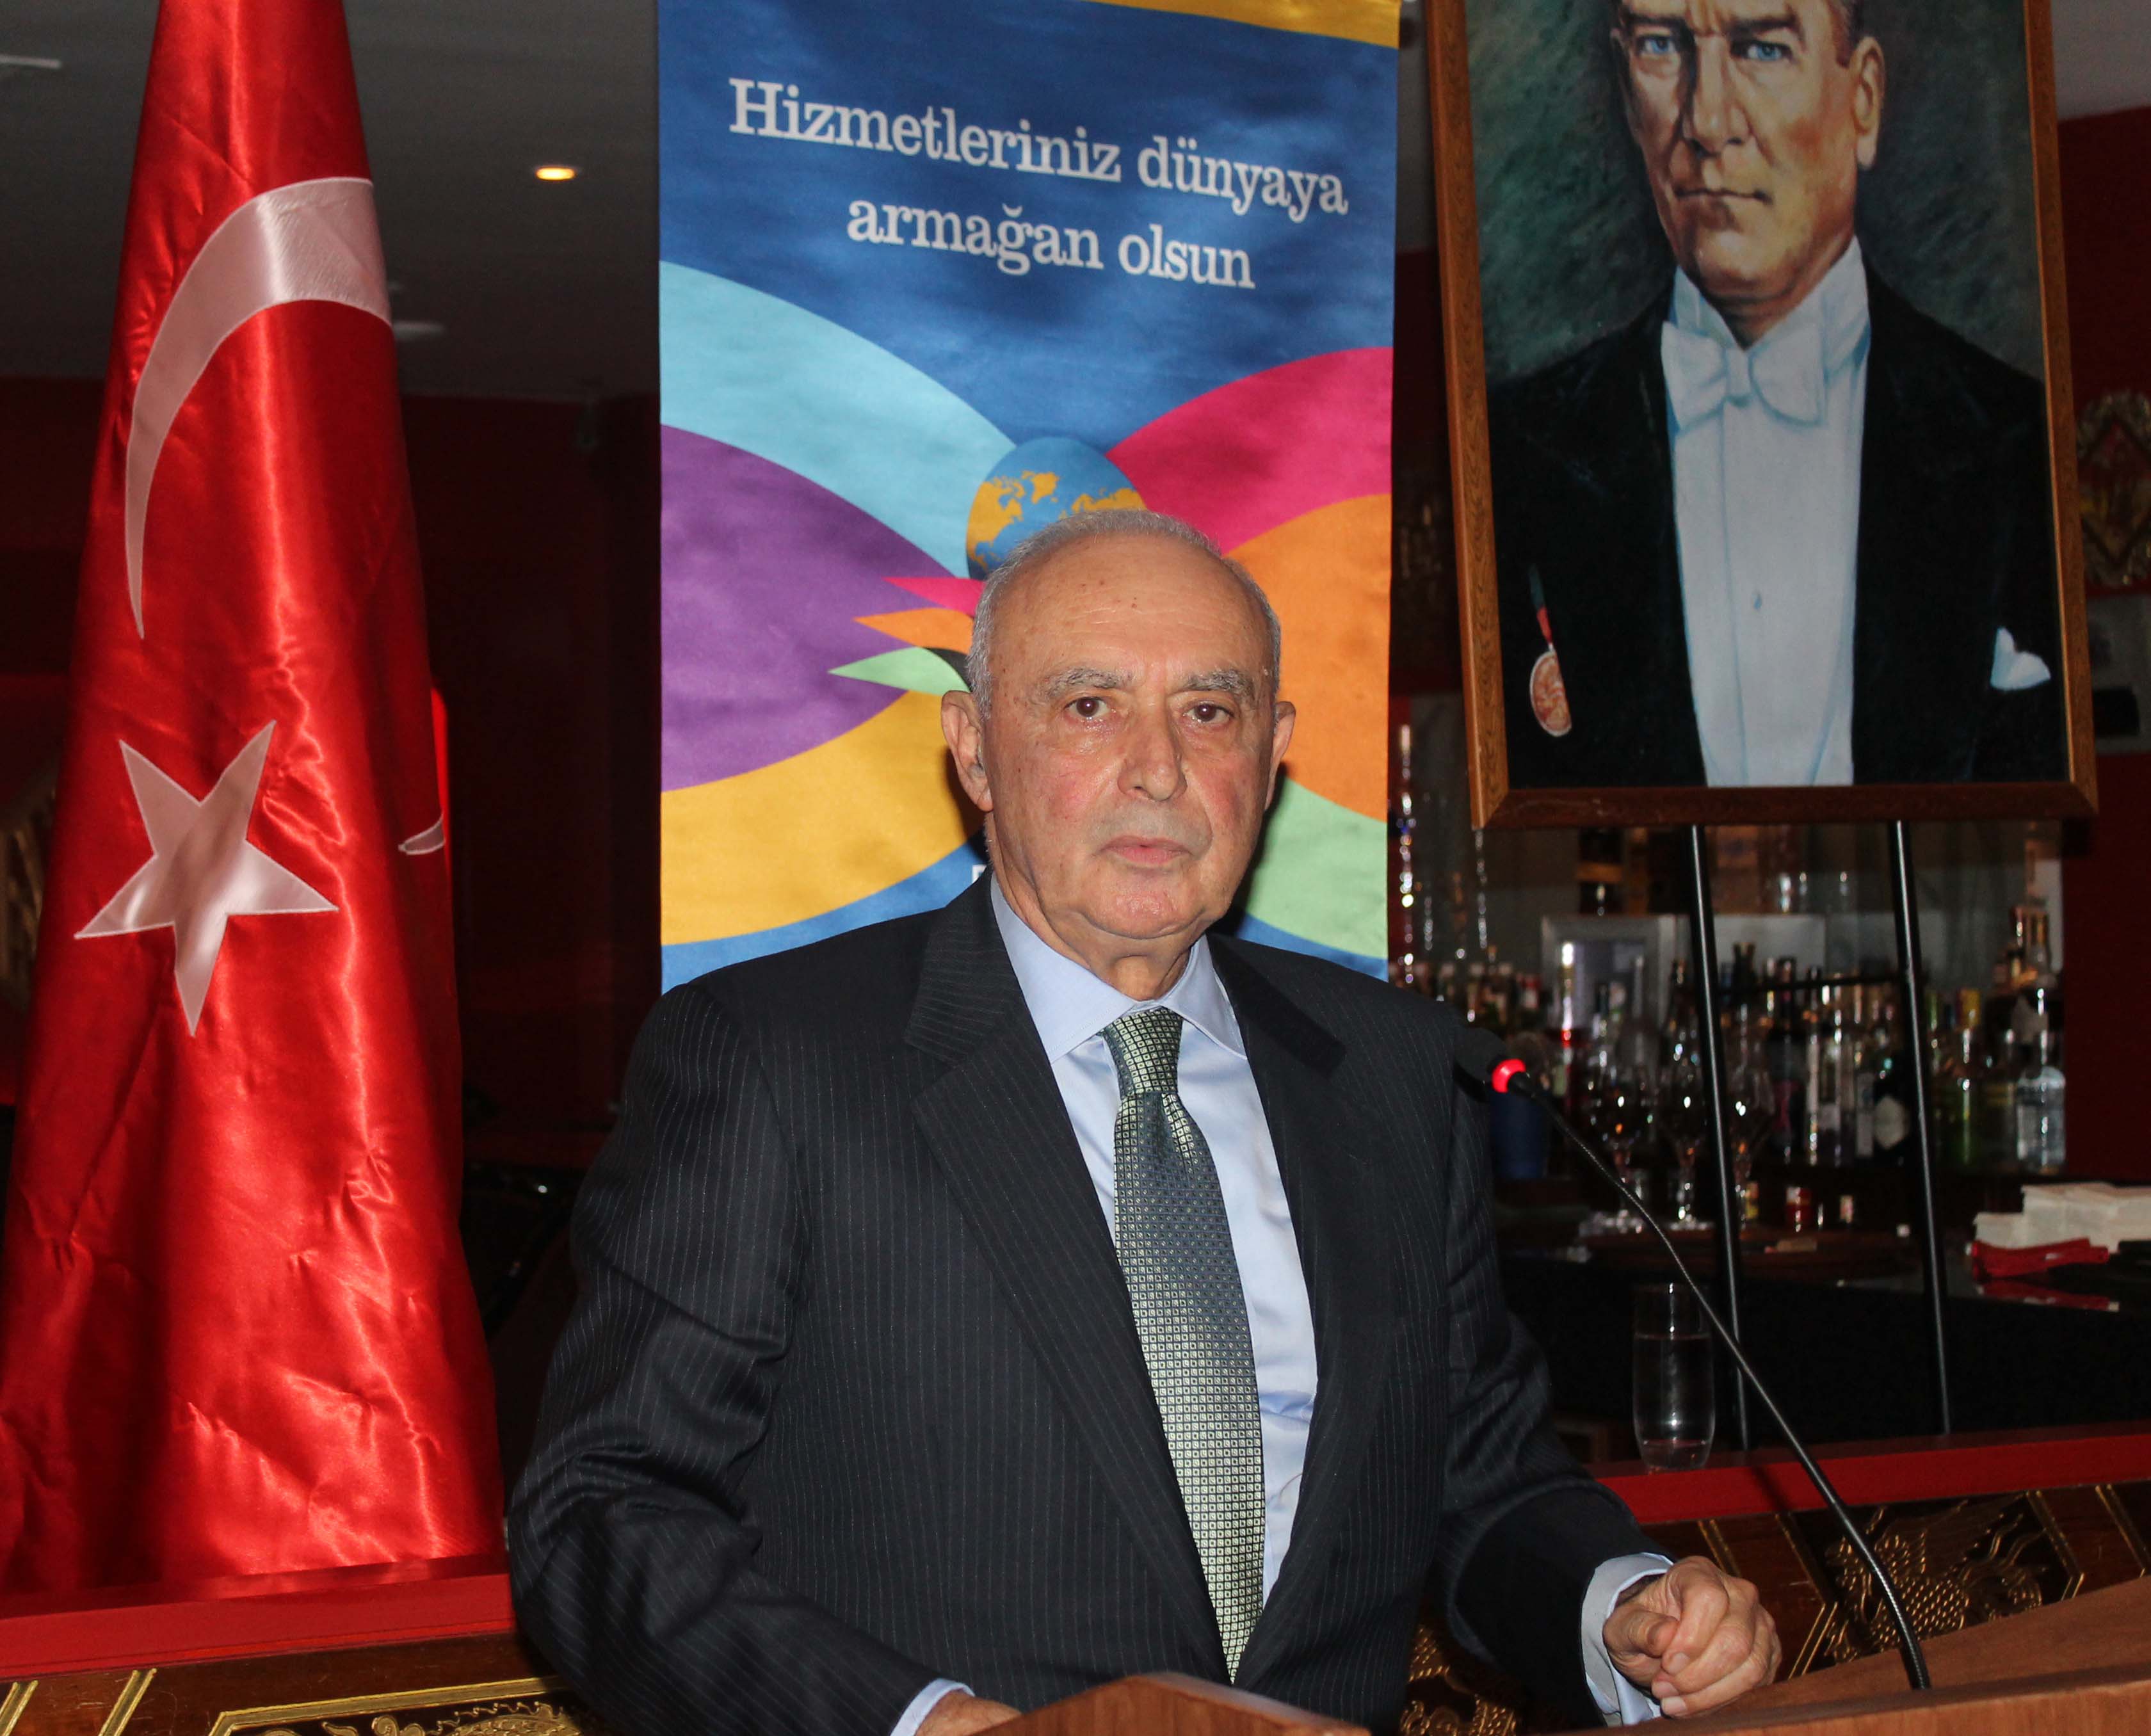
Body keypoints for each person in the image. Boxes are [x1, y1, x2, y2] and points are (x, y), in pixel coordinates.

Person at [508, 510, 1781, 1735]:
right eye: (1089, 705)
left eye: (1209, 711)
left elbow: (1480, 1478)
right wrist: (914, 1724)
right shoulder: (777, 1062)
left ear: (1273, 753)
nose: (1159, 769)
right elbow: (604, 1511)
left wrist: (1621, 1604)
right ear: (973, 748)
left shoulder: (1393, 1073)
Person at [1490, 0, 2065, 790]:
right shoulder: (1517, 456)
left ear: (1863, 100)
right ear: (1626, 93)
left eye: (1762, 49)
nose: (1707, 121)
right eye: (1661, 46)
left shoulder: (2016, 441)